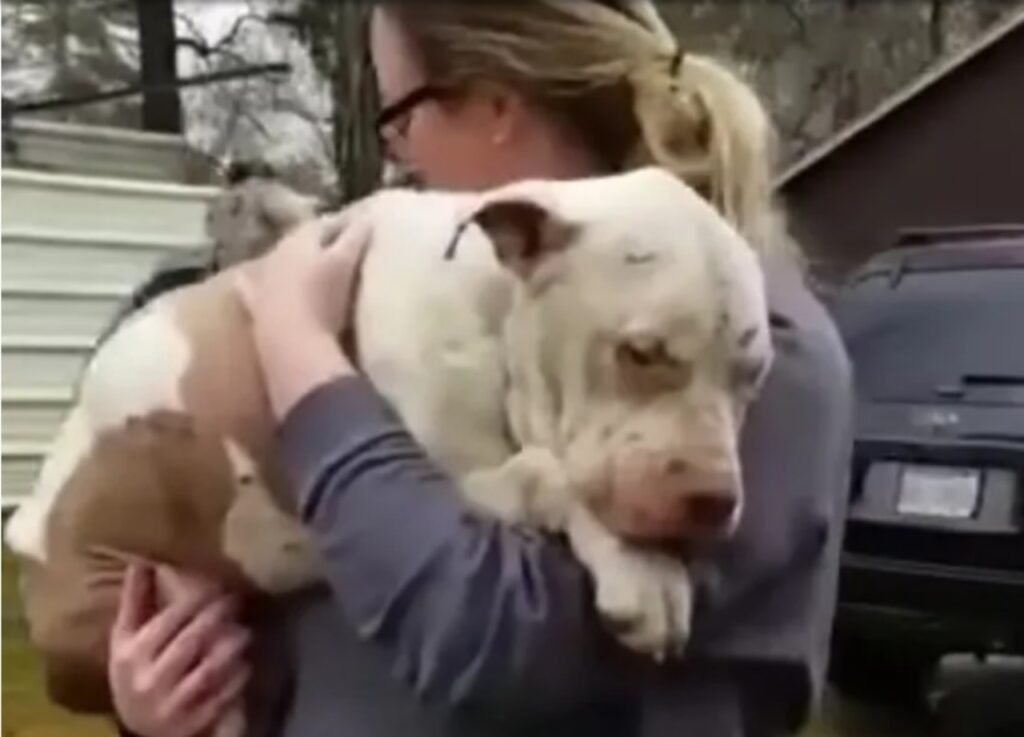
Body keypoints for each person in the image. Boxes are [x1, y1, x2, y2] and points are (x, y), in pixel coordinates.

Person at [107, 2, 853, 735]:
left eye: (402, 119)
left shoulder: (733, 336)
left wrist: (298, 350)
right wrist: (167, 696)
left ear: (496, 104)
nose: (401, 157)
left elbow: (495, 643)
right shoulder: (466, 326)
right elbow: (338, 611)